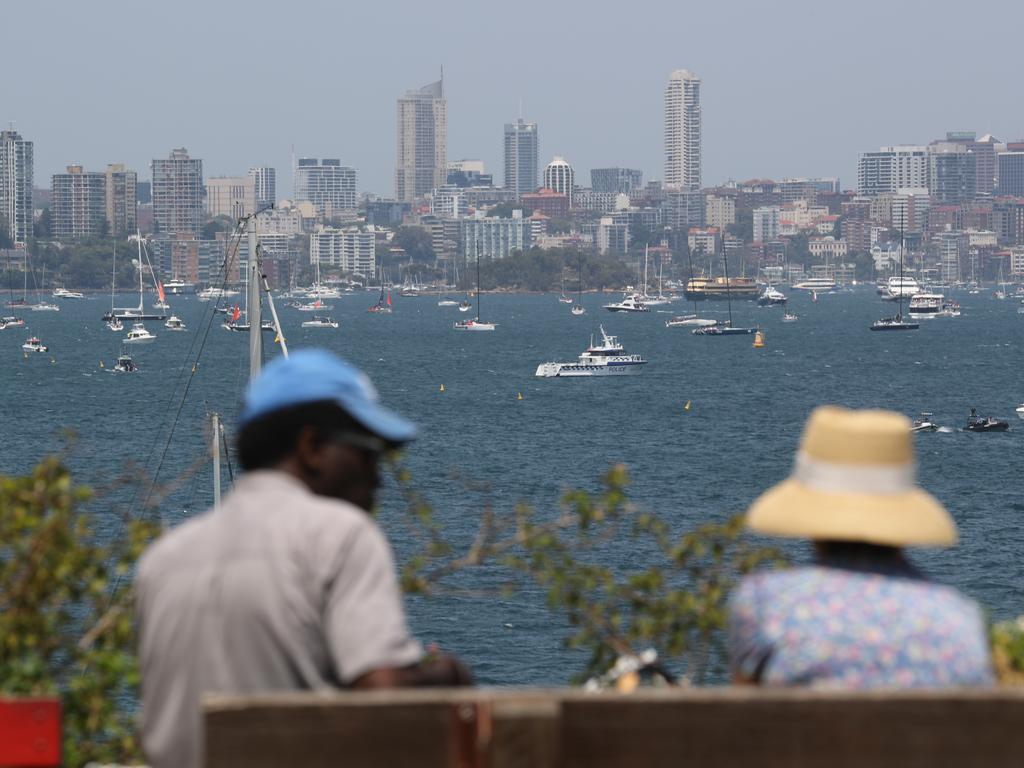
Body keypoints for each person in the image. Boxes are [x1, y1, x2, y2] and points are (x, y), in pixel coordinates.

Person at [135, 350, 472, 768]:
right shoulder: (339, 536)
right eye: (368, 454)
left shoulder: (164, 560)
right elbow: (385, 697)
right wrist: (447, 677)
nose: (378, 478)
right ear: (312, 446)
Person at [728, 405, 993, 688]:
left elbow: (745, 716)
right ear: (903, 515)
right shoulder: (957, 619)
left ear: (811, 514)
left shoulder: (766, 605)